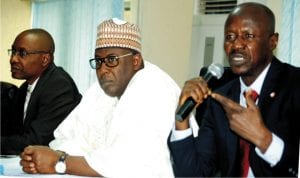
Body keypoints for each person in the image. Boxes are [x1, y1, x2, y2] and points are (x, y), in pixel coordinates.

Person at [20, 18, 180, 177]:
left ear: (135, 61)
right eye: (98, 61)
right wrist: (43, 158)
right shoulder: (100, 89)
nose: (102, 70)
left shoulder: (153, 87)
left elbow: (131, 164)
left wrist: (59, 162)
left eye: (111, 60)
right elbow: (71, 136)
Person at [168, 2, 299, 177]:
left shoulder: (295, 85)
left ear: (272, 42)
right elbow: (194, 174)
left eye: (248, 35)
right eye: (230, 37)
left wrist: (264, 139)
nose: (236, 45)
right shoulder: (220, 99)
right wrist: (181, 120)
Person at [1, 29, 82, 155]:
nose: (13, 59)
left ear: (44, 59)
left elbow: (36, 140)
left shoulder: (59, 86)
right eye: (13, 51)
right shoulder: (24, 88)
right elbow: (14, 132)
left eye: (22, 53)